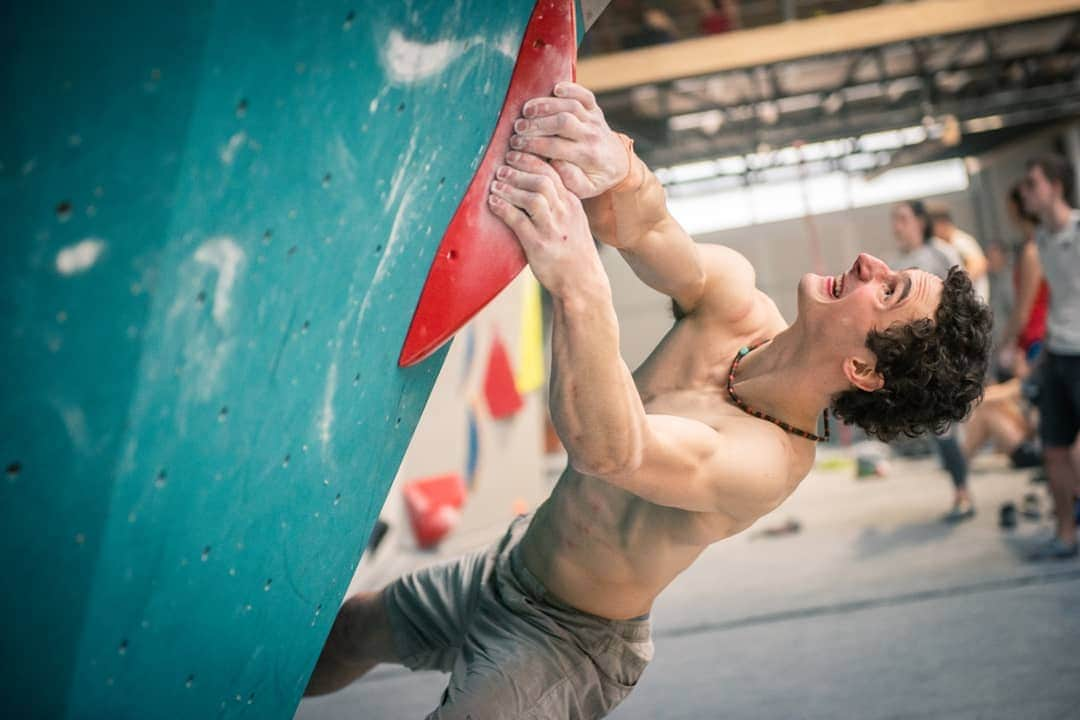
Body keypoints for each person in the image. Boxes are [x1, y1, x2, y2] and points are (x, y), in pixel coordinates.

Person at [305, 82, 993, 718]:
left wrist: (579, 285)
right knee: (347, 633)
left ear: (864, 370)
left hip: (566, 643)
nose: (872, 265)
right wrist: (616, 166)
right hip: (511, 565)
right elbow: (650, 230)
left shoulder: (768, 462)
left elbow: (613, 449)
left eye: (890, 292)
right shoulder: (736, 302)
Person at [891, 200, 974, 521]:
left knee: (948, 430)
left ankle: (963, 495)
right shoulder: (898, 263)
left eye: (902, 218)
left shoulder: (940, 253)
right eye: (894, 219)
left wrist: (961, 346)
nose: (896, 225)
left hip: (949, 355)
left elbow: (963, 298)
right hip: (921, 360)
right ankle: (961, 492)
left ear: (919, 221)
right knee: (941, 430)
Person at [1019, 154, 1080, 560]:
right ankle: (1065, 534)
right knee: (1054, 449)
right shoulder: (1040, 239)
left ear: (1055, 187)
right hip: (1057, 354)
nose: (1026, 193)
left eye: (1033, 184)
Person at [996, 184, 1050, 376]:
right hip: (1037, 337)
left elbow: (1023, 311)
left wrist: (1003, 342)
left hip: (1037, 339)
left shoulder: (1032, 251)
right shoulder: (1037, 244)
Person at [930, 207, 990, 303]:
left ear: (942, 224)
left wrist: (955, 288)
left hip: (975, 304)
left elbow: (979, 264)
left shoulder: (960, 240)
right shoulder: (945, 246)